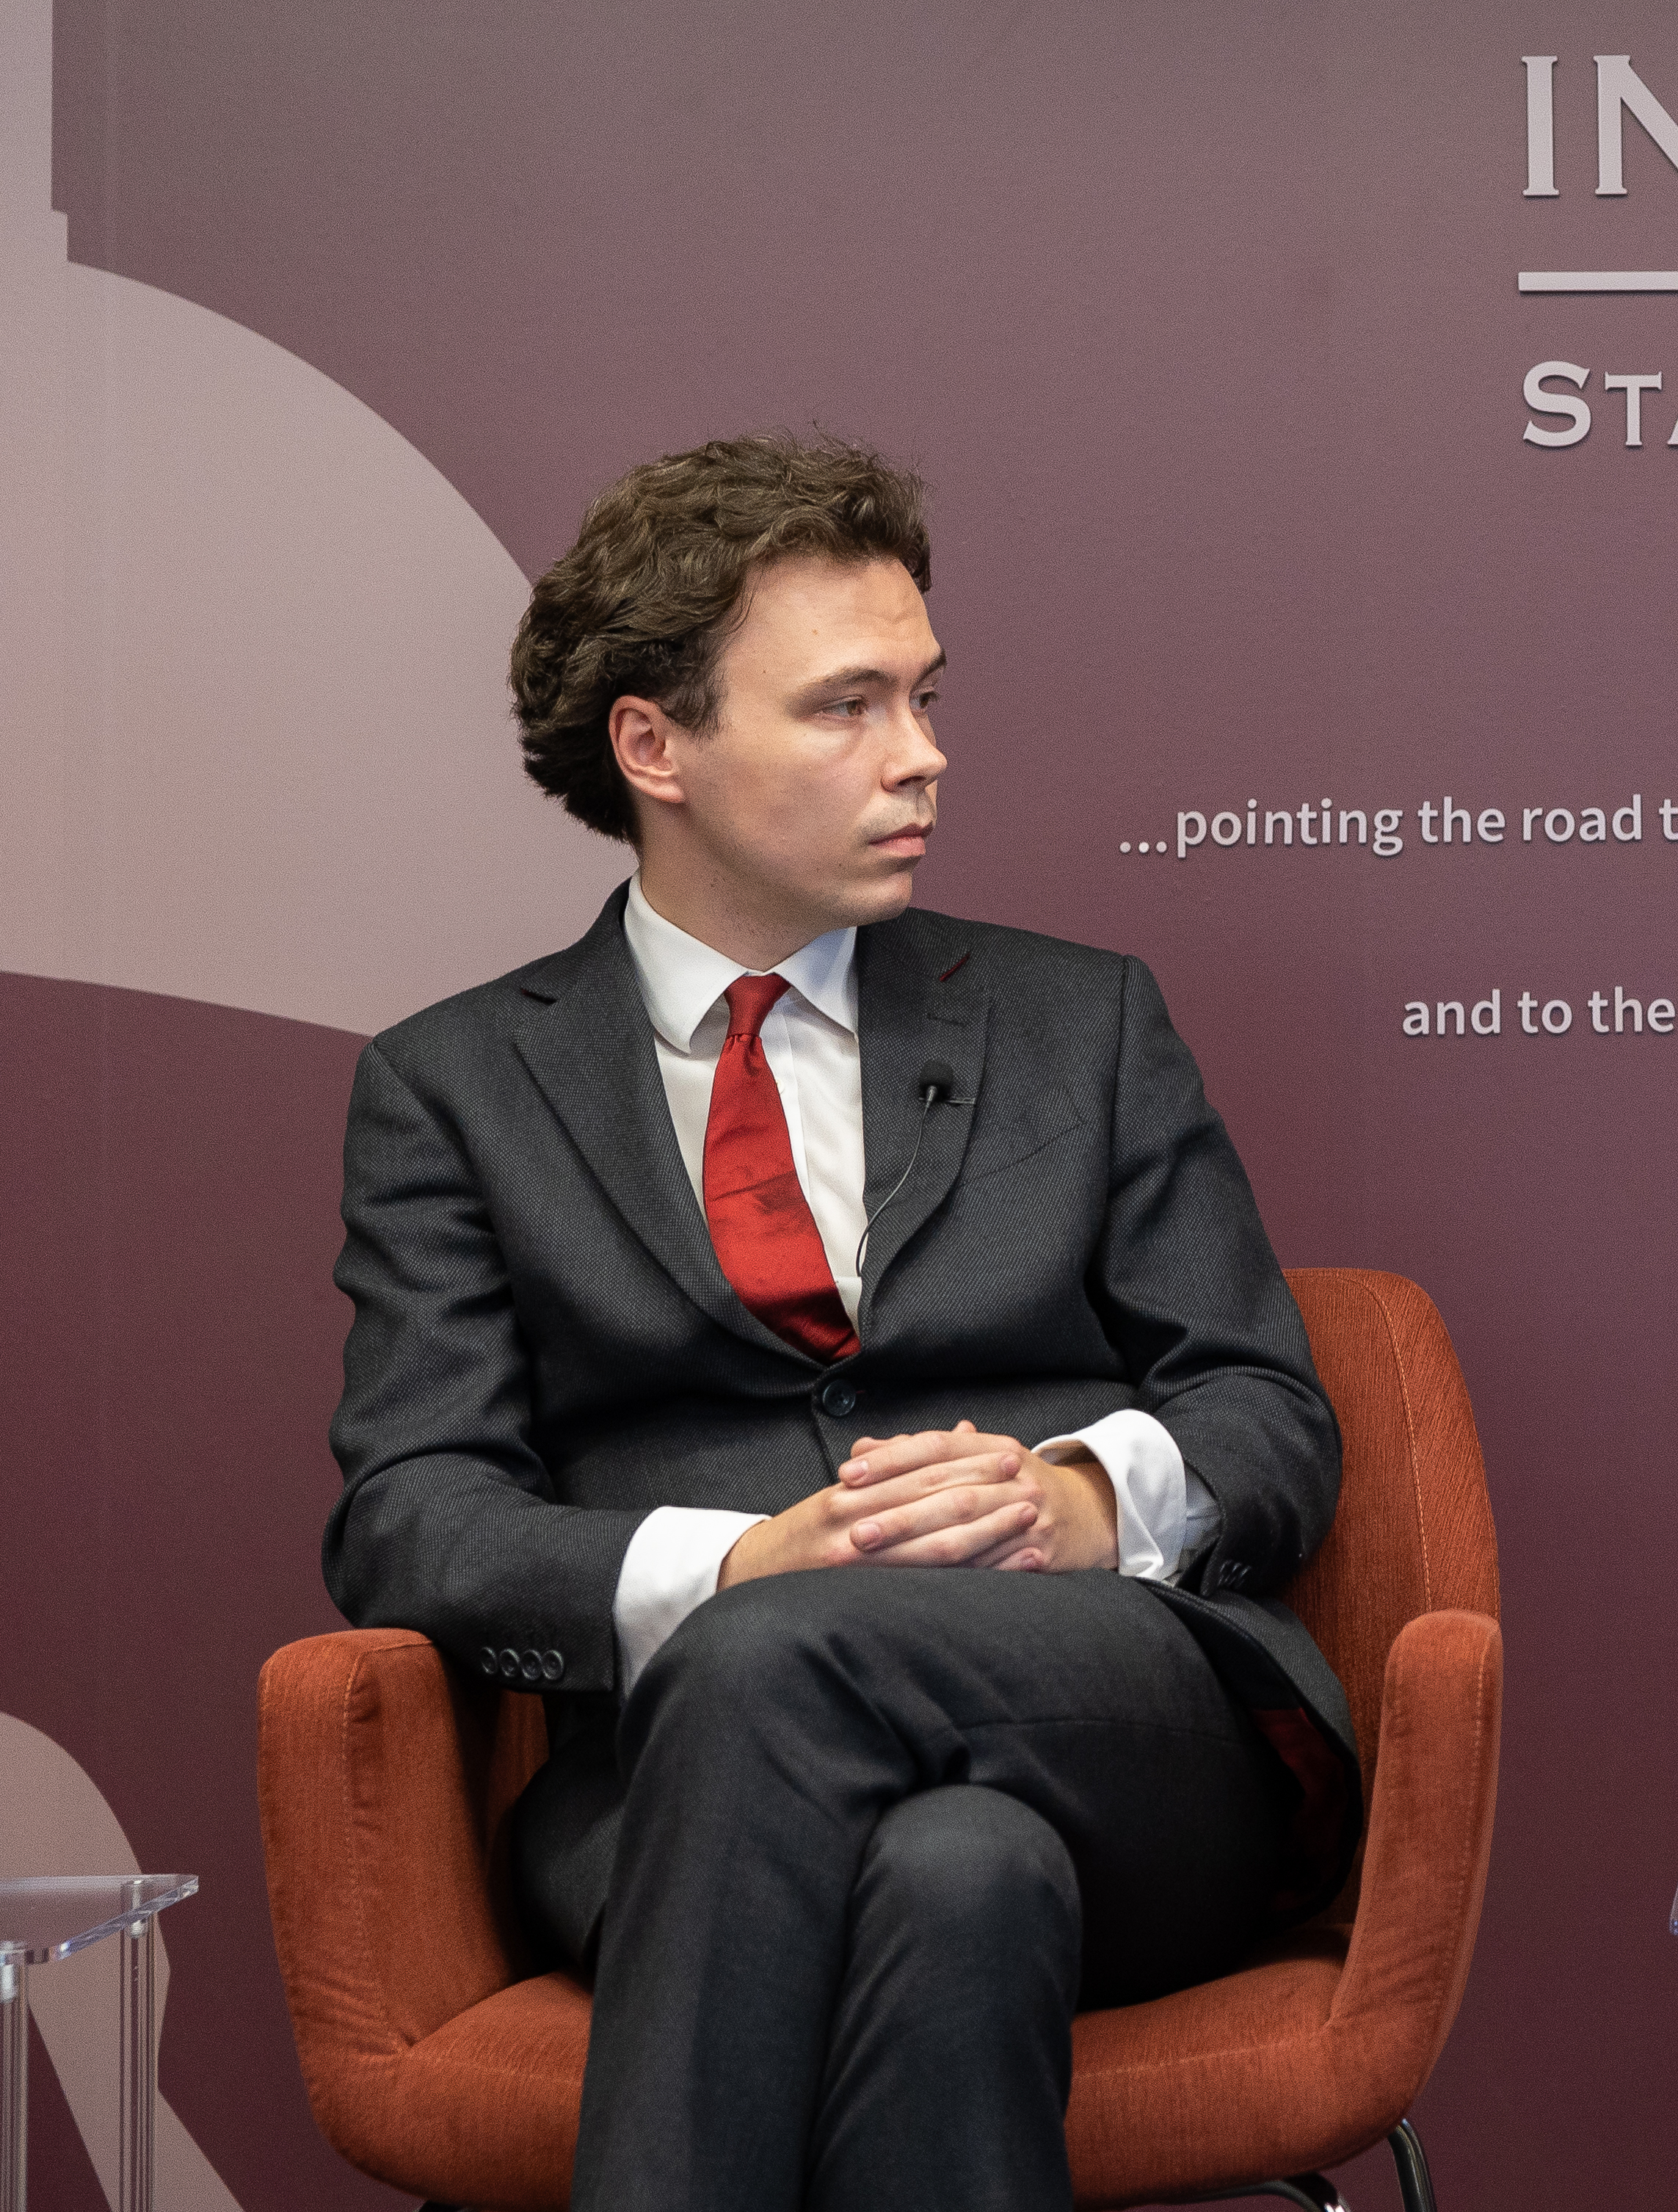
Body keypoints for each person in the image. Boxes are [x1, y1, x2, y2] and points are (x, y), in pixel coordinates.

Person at [325, 437, 1354, 2212]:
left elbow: (1272, 1408)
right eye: (849, 708)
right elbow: (413, 1516)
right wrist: (738, 1570)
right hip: (677, 1796)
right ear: (657, 747)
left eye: (929, 697)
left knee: (791, 1672)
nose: (925, 755)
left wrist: (1083, 1501)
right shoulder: (454, 1088)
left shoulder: (1079, 1021)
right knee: (958, 1882)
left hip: (1110, 1726)